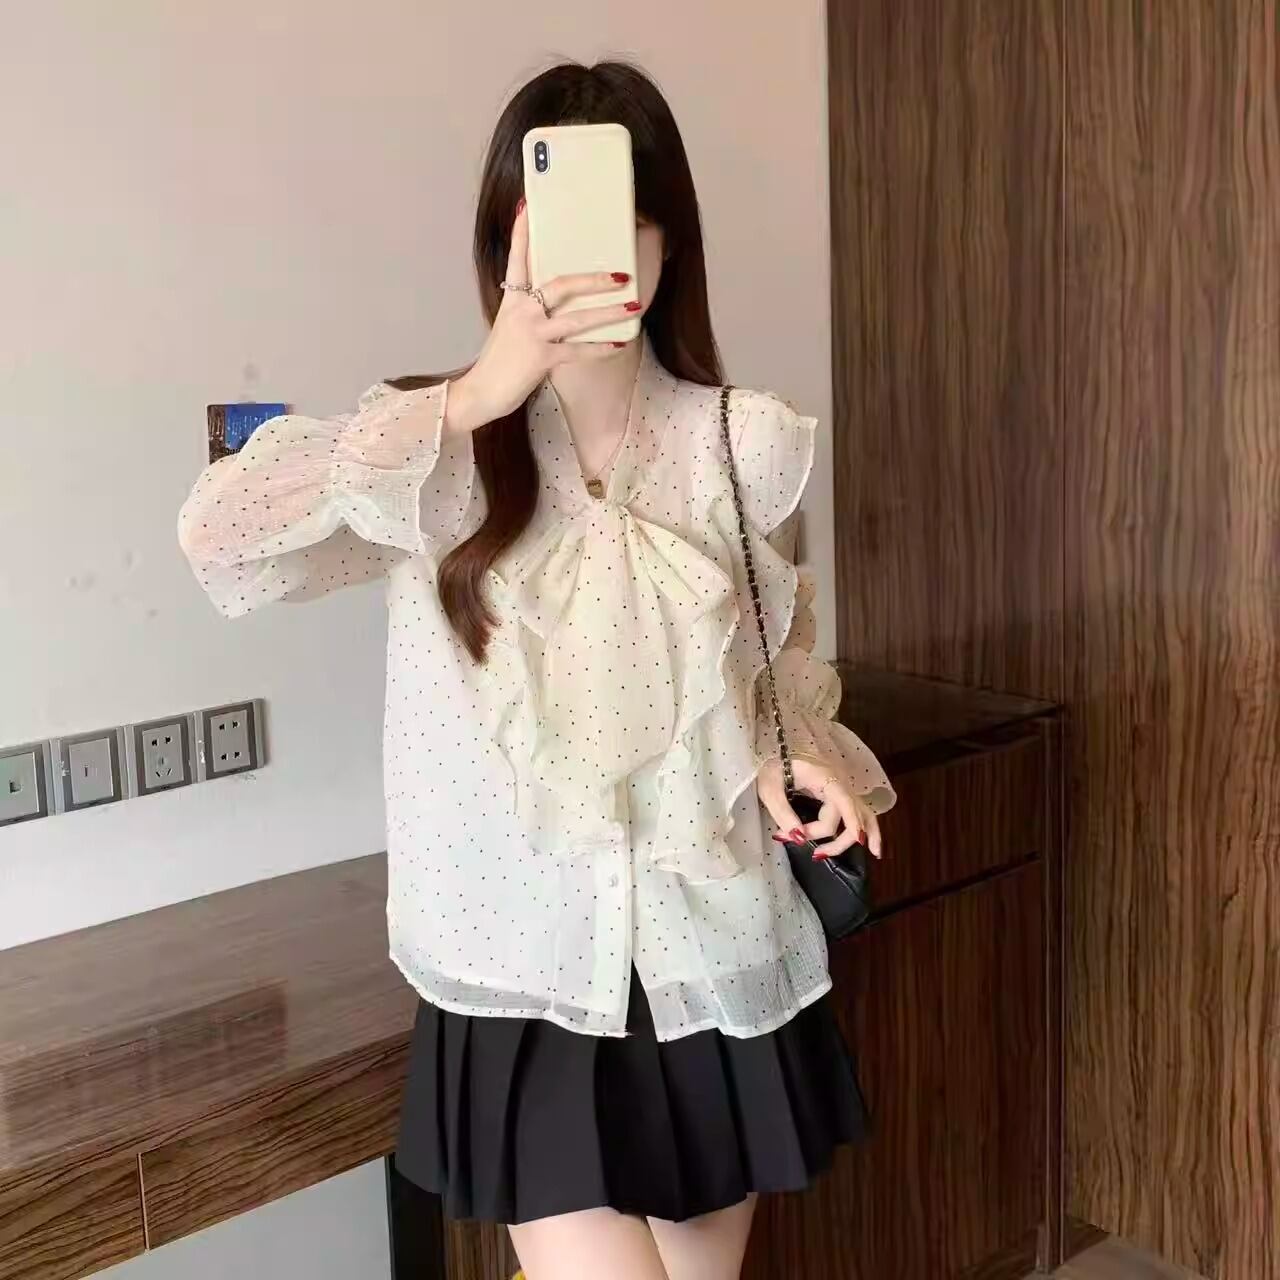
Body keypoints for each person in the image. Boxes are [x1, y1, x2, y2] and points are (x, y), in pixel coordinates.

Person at [179, 60, 895, 1280]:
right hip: (524, 976)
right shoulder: (430, 445)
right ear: (503, 247)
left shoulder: (743, 441)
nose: (587, 256)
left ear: (667, 242)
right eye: (550, 225)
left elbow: (769, 670)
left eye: (620, 220)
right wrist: (471, 394)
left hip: (712, 957)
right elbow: (220, 539)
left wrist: (799, 759)